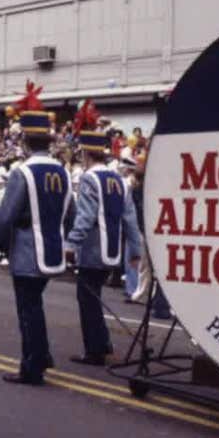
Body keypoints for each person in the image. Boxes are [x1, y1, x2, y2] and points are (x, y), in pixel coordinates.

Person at [0, 81, 71, 385]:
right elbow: (69, 213)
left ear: (26, 142)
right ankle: (41, 354)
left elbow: (5, 215)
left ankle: (33, 365)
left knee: (28, 309)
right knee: (35, 304)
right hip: (53, 248)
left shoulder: (23, 172)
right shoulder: (62, 171)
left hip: (28, 250)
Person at [64, 101, 142, 366]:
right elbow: (130, 219)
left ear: (86, 153)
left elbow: (85, 217)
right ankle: (103, 343)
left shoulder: (89, 178)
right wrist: (135, 250)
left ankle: (95, 350)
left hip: (93, 249)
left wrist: (71, 244)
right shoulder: (119, 180)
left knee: (87, 300)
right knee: (94, 297)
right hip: (112, 249)